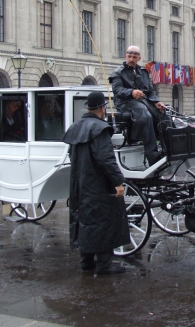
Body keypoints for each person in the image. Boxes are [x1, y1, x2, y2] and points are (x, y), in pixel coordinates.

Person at [62, 91, 130, 274]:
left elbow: (72, 155)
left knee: (85, 220)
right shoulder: (99, 128)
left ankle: (87, 262)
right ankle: (104, 265)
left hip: (80, 183)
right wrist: (118, 182)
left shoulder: (76, 126)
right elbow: (106, 158)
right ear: (102, 108)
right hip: (98, 184)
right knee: (103, 221)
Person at [109, 45, 166, 166]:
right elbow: (117, 90)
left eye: (134, 57)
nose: (131, 59)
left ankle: (169, 147)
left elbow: (150, 90)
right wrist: (131, 92)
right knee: (145, 115)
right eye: (129, 56)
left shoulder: (144, 73)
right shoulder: (118, 73)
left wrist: (157, 102)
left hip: (143, 101)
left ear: (139, 58)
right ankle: (152, 154)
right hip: (125, 102)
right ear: (126, 56)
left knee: (163, 113)